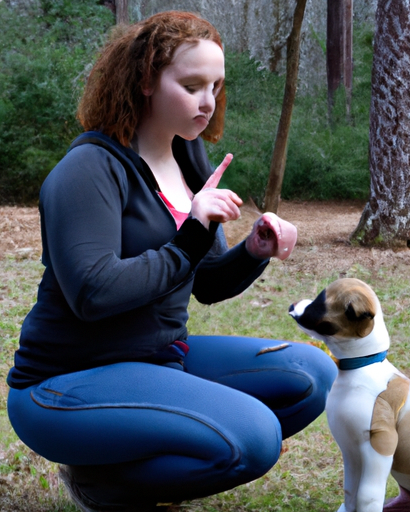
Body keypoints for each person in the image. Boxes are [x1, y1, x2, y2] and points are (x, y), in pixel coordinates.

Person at [6, 11, 337, 512]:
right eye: (192, 85)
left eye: (216, 86)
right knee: (256, 438)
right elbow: (94, 295)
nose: (208, 102)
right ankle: (103, 485)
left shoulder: (189, 157)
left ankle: (119, 468)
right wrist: (190, 236)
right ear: (144, 80)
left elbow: (204, 281)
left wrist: (253, 250)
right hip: (64, 383)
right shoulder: (87, 170)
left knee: (310, 375)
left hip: (161, 358)